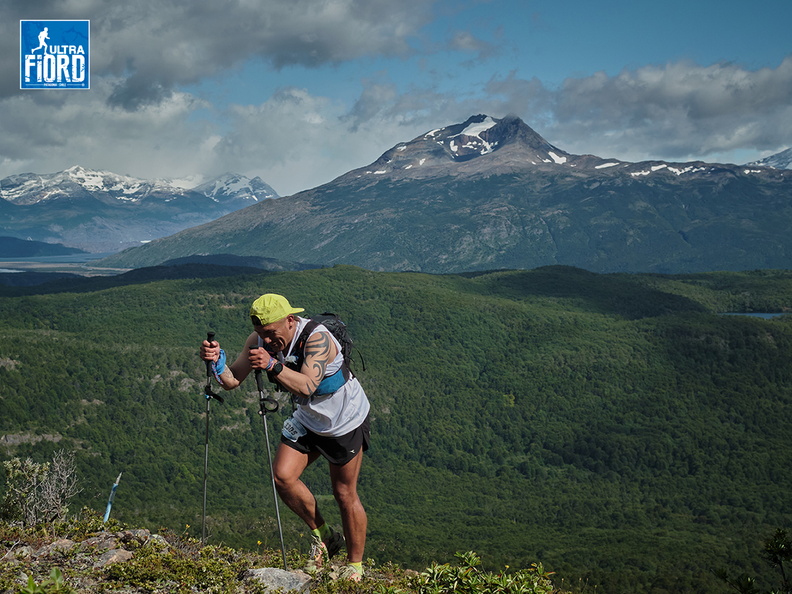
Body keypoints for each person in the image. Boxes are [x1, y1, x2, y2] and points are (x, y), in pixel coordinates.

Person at [199, 293, 370, 582]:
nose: (267, 340)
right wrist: (217, 362)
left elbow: (306, 386)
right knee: (282, 477)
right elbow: (232, 380)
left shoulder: (317, 339)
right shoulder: (258, 340)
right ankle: (325, 536)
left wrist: (272, 365)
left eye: (271, 333)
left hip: (343, 420)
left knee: (344, 493)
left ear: (290, 320)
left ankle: (355, 566)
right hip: (308, 417)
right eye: (261, 333)